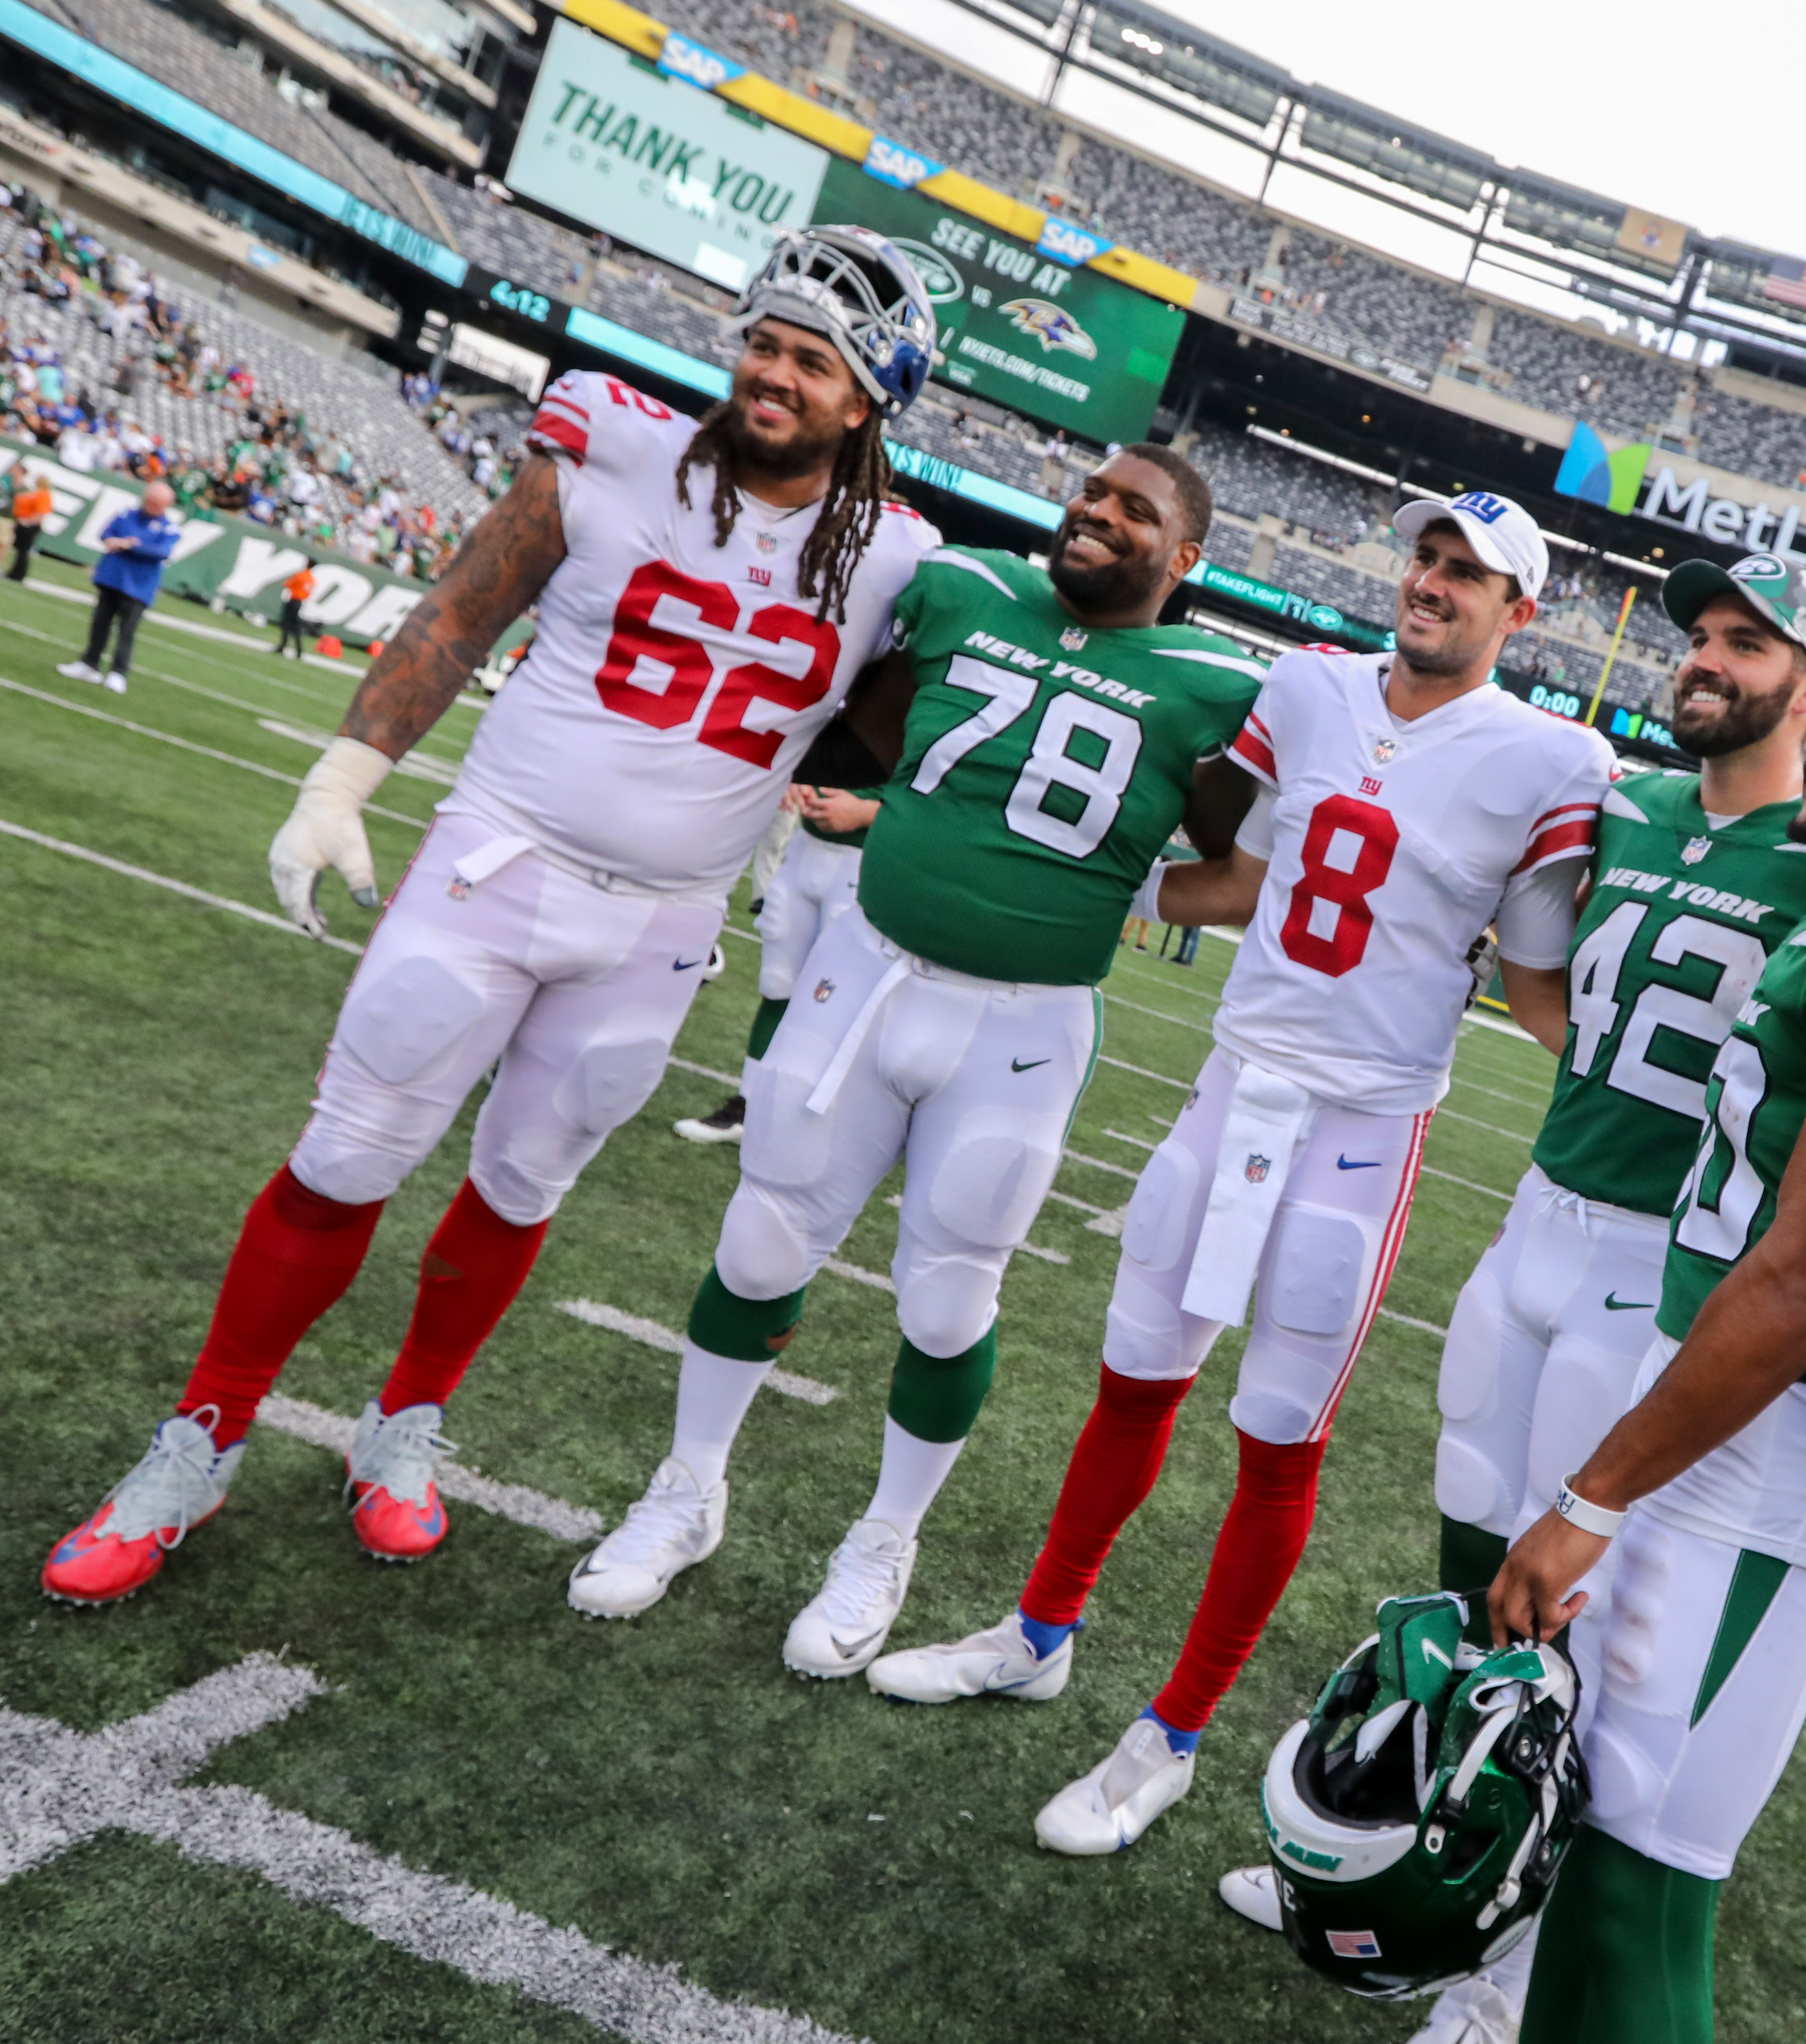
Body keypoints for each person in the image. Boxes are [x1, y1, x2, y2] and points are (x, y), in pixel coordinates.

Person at [1219, 561, 1806, 2044]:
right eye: (1698, 636)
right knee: (1484, 1567)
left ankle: (1496, 2009)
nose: (1707, 660)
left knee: (1584, 1638)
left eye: (1746, 643)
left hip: (1668, 1276)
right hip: (1546, 1205)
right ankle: (1437, 1860)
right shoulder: (1625, 803)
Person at [38, 224, 943, 1605]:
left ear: (868, 398)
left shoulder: (896, 560)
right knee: (346, 1154)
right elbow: (463, 612)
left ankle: (401, 1431)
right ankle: (197, 1440)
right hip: (497, 864)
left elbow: (874, 741)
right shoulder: (615, 441)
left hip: (661, 924)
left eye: (811, 361)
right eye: (762, 342)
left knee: (526, 1182)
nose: (771, 374)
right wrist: (344, 778)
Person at [865, 492, 1610, 1858]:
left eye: (1468, 575)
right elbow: (1242, 871)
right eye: (1426, 559)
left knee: (1275, 1435)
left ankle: (1172, 1734)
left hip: (1360, 1130)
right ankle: (1038, 1630)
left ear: (1522, 612)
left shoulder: (1552, 759)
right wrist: (1084, 884)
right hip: (1230, 1085)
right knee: (1130, 1376)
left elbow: (1537, 973)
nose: (1432, 584)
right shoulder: (1309, 685)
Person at [569, 446, 1267, 1680]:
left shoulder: (1215, 685)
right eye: (1093, 493)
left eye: (1135, 510)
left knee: (950, 1296)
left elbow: (1248, 866)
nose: (1099, 514)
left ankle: (885, 1538)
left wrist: (1122, 888)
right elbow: (866, 738)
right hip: (865, 969)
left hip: (1022, 1023)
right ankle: (687, 1487)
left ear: (1187, 556)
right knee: (762, 1237)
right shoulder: (967, 590)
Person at [666, 735, 883, 1150]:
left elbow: (952, 800)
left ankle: (820, 1119)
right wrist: (792, 771)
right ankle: (749, 1105)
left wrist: (869, 810)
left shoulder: (943, 688)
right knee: (778, 983)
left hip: (869, 861)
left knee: (840, 999)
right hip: (806, 852)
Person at [53, 479, 180, 694]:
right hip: (111, 577)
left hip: (138, 586)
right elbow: (106, 533)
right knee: (100, 622)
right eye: (150, 501)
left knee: (126, 631)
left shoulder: (169, 528)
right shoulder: (127, 514)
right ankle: (89, 663)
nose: (150, 506)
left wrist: (132, 545)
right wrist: (115, 541)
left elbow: (162, 552)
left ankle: (118, 672)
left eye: (157, 503)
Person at [2, 463, 55, 582]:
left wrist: (28, 522)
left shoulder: (43, 494)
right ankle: (14, 572)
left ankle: (19, 574)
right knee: (19, 550)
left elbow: (41, 513)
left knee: (23, 551)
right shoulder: (35, 493)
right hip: (23, 523)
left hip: (30, 526)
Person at [273, 559, 317, 655]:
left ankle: (283, 645)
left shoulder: (301, 575)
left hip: (293, 600)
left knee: (287, 624)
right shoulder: (312, 579)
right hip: (300, 602)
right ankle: (299, 649)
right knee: (296, 626)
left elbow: (287, 584)